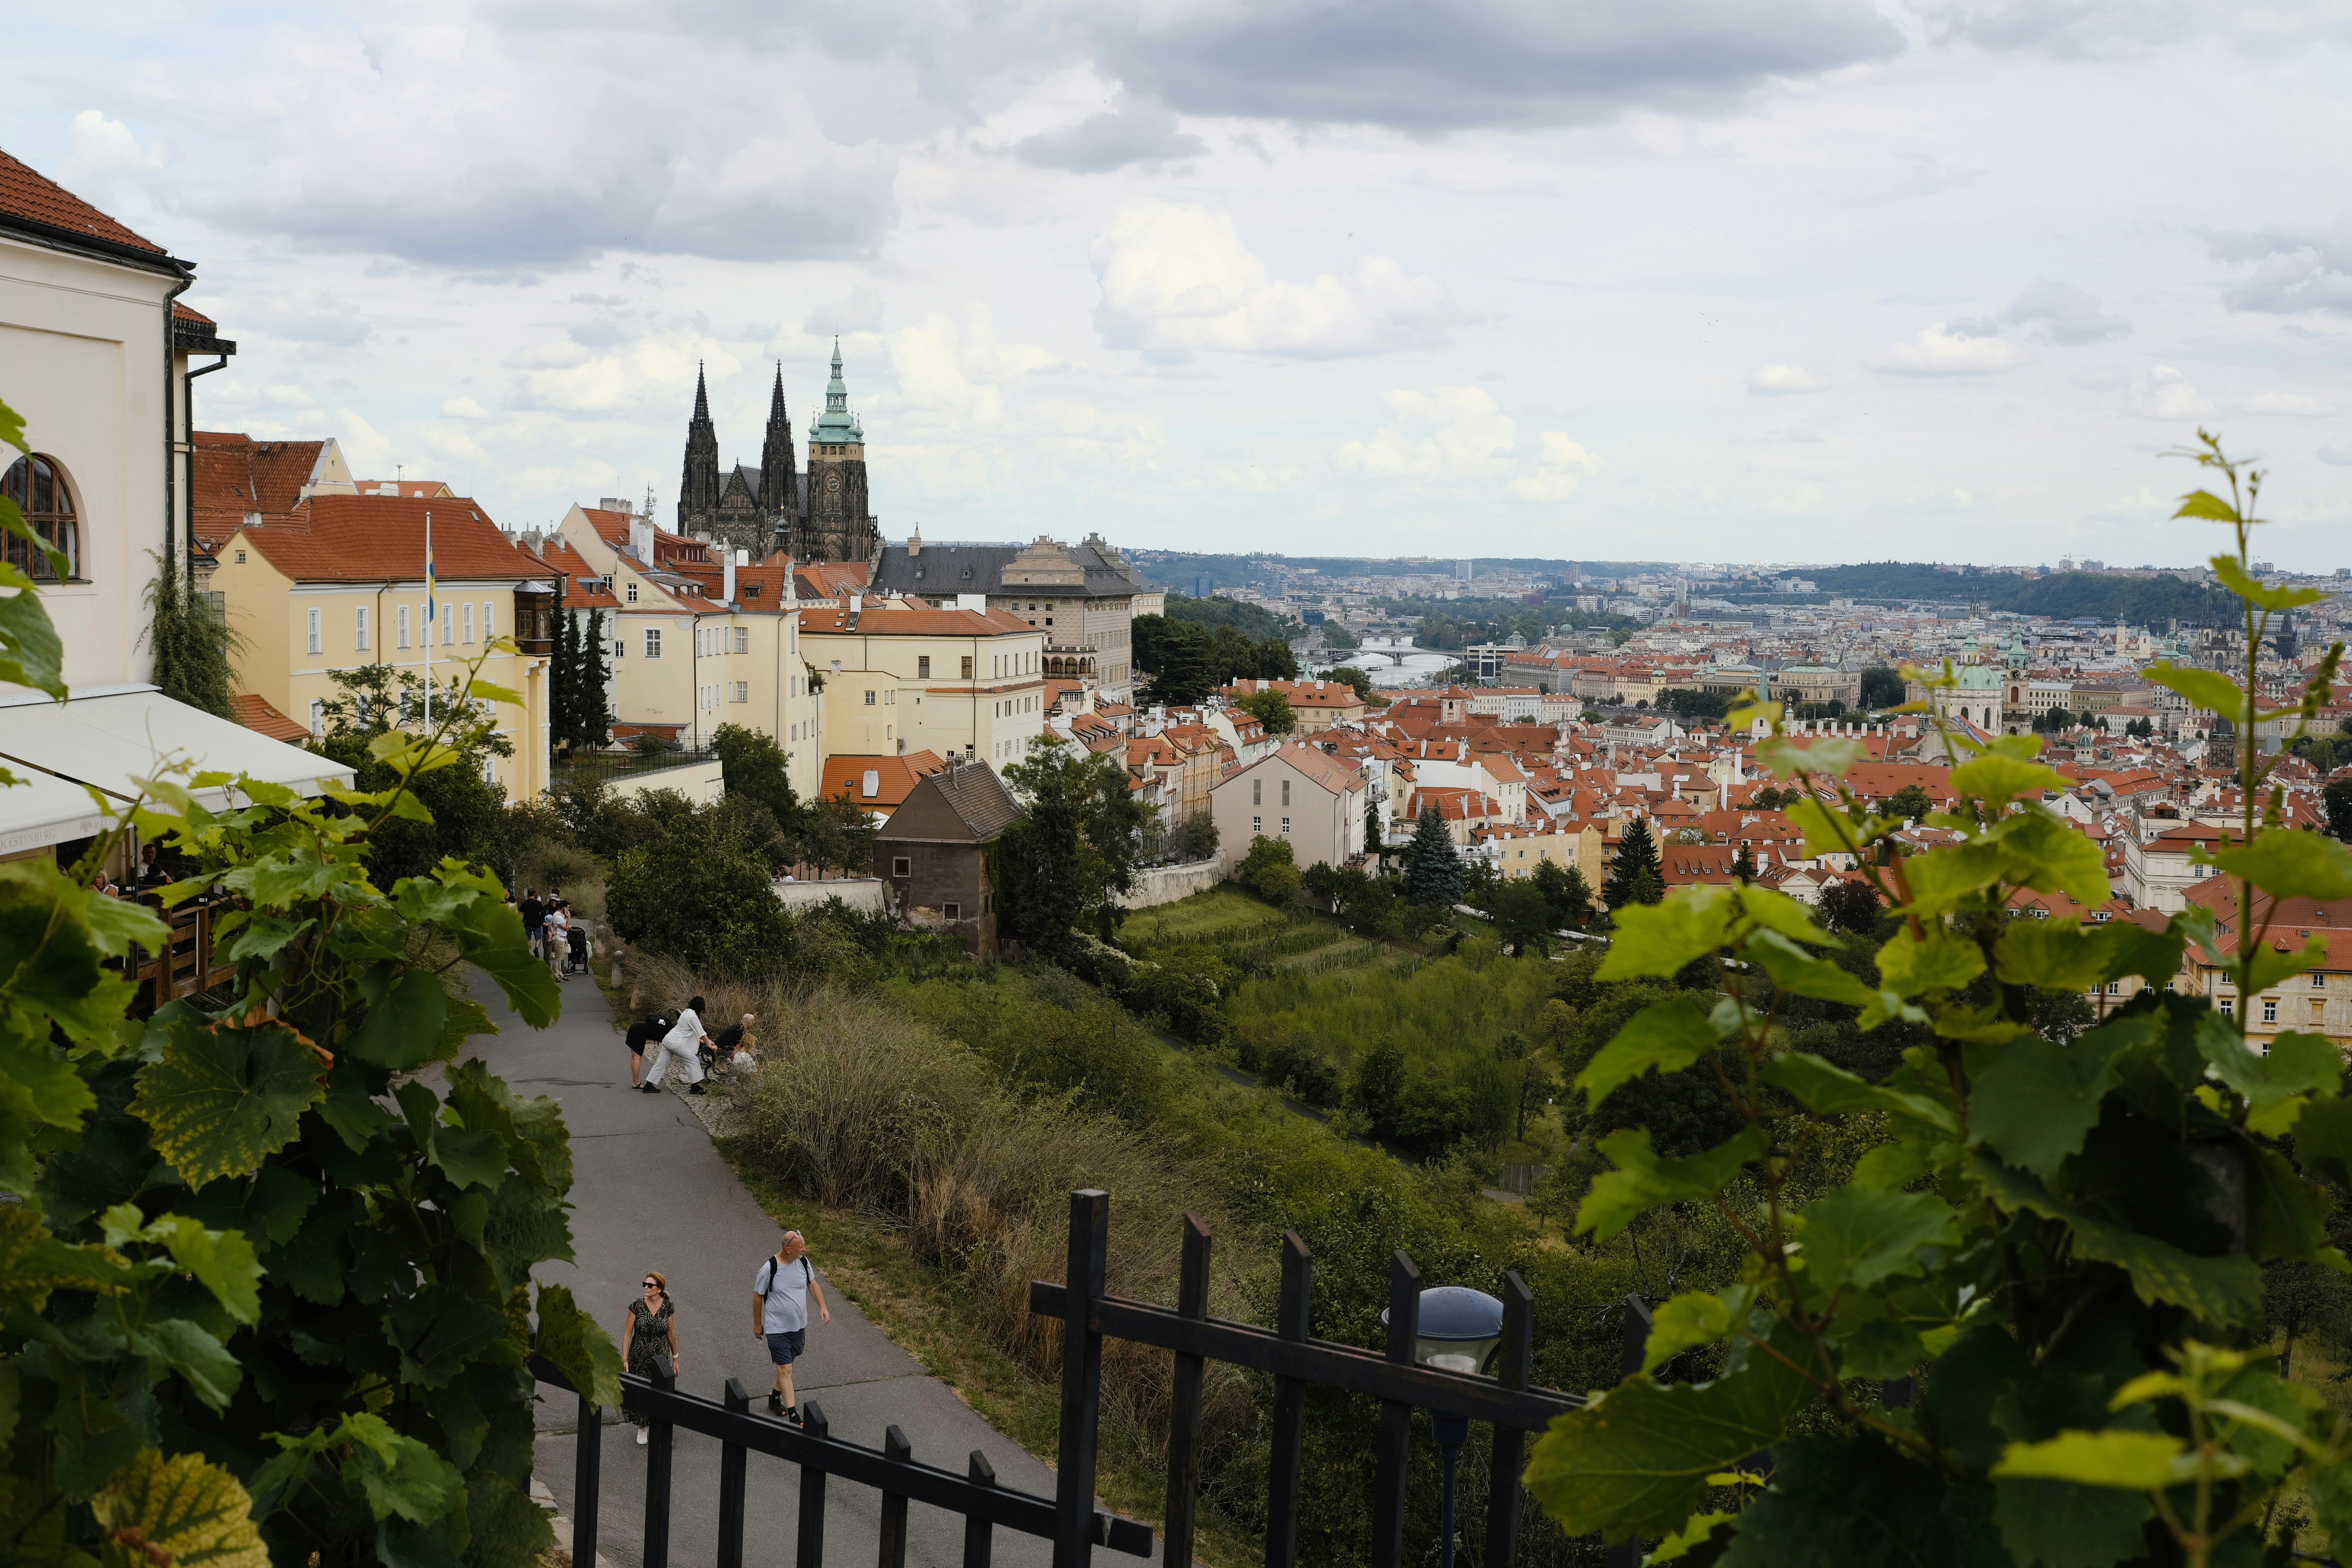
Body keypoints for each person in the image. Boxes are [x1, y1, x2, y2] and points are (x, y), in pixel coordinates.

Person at [750, 1231, 829, 1422]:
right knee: (785, 1368)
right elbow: (758, 1296)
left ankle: (774, 1398)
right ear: (788, 1249)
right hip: (778, 1328)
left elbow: (812, 1284)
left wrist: (823, 1306)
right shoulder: (770, 1268)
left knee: (786, 1366)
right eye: (801, 1247)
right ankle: (794, 1414)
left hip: (799, 1326)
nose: (805, 1249)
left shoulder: (803, 1262)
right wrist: (758, 1324)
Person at [618, 1270, 679, 1445]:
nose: (646, 1288)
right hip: (639, 1357)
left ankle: (660, 1426)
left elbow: (671, 1333)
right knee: (643, 1392)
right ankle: (643, 1427)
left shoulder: (668, 1306)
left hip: (661, 1359)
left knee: (661, 1392)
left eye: (650, 1285)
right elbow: (628, 1334)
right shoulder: (636, 1306)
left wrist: (676, 1358)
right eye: (644, 1284)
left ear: (659, 1289)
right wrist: (625, 1358)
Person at [643, 995, 712, 1095]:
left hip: (668, 1039)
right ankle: (695, 1088)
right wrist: (710, 1045)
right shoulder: (693, 1016)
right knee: (694, 1061)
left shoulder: (686, 1012)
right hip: (675, 1043)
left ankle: (648, 1085)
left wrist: (703, 1041)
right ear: (701, 1008)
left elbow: (687, 1031)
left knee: (661, 1063)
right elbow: (702, 1034)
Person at [623, 1008, 675, 1090]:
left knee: (634, 1058)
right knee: (637, 1058)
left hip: (636, 1028)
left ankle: (636, 1082)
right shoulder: (672, 1033)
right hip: (638, 1032)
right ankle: (636, 1083)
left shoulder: (669, 1028)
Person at [519, 890, 546, 960]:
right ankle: (536, 948)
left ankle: (529, 952)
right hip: (537, 923)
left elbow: (521, 913)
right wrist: (541, 920)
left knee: (528, 938)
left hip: (527, 923)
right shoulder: (538, 903)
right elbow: (542, 913)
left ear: (528, 895)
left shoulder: (524, 903)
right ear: (535, 894)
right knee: (539, 938)